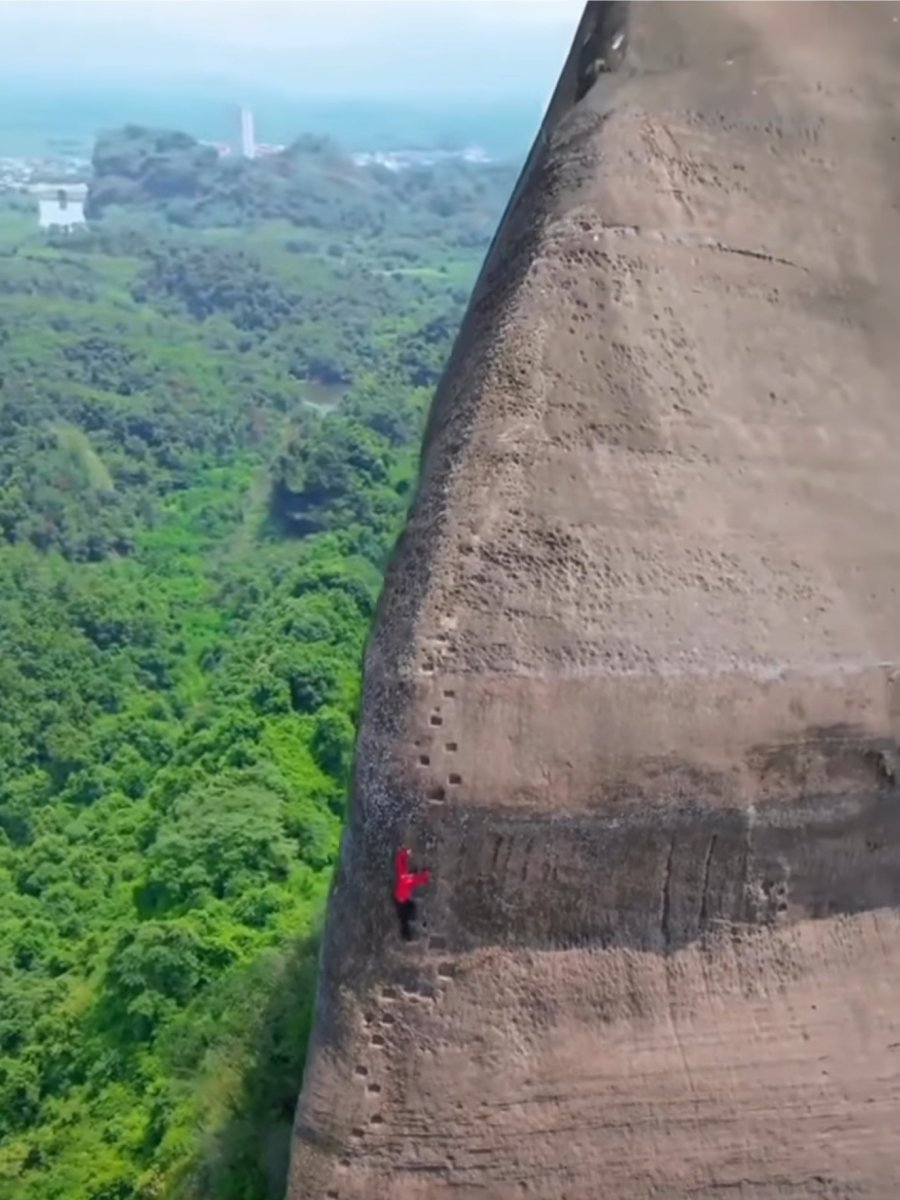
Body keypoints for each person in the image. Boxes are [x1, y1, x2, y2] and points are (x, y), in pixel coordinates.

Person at [393, 847, 430, 940]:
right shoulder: (410, 879)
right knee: (408, 914)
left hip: (399, 899)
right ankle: (409, 933)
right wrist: (426, 874)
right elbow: (421, 880)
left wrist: (405, 853)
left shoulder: (403, 875)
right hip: (403, 901)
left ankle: (407, 933)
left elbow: (400, 861)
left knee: (403, 918)